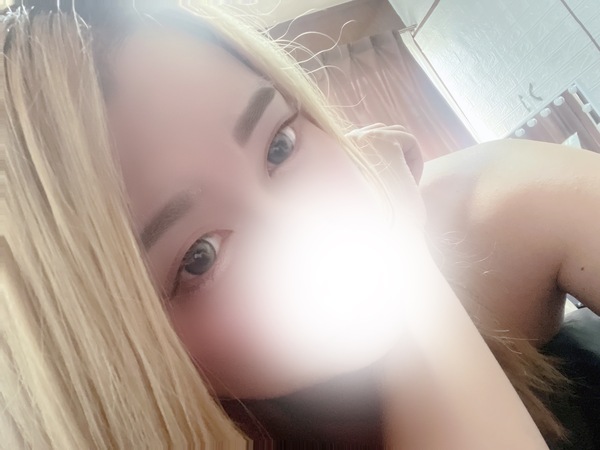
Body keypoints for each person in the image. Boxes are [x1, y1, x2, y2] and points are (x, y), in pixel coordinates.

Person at [2, 1, 597, 448]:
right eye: (200, 255)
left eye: (280, 145)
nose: (303, 231)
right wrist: (406, 271)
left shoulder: (489, 207)